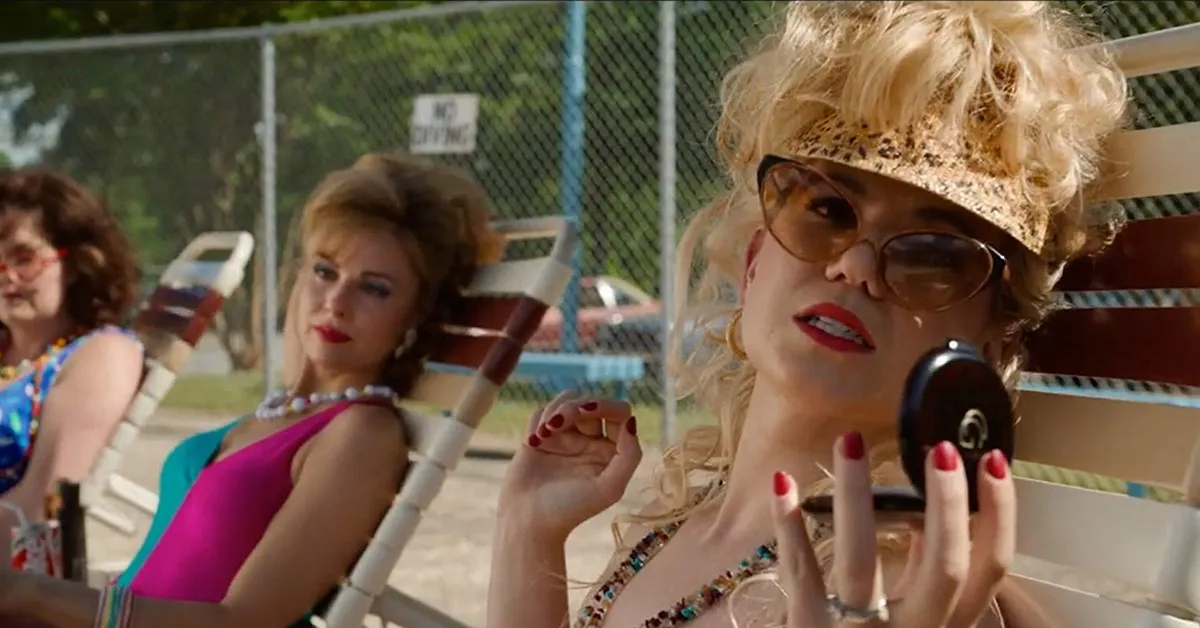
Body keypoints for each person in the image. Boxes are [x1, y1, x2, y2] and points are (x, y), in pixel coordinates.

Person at [488, 2, 1128, 627]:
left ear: (991, 339)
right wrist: (528, 533)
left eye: (934, 254)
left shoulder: (905, 594)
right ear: (754, 261)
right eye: (825, 208)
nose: (857, 267)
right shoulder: (682, 522)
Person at [0, 153, 504, 628]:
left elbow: (243, 622)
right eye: (325, 271)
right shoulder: (280, 413)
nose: (335, 302)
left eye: (375, 288)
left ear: (415, 317)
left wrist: (32, 594)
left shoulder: (362, 434)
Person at [0, 167, 144, 567]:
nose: (6, 276)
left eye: (23, 259)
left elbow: (39, 510)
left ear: (79, 262)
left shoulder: (101, 355)